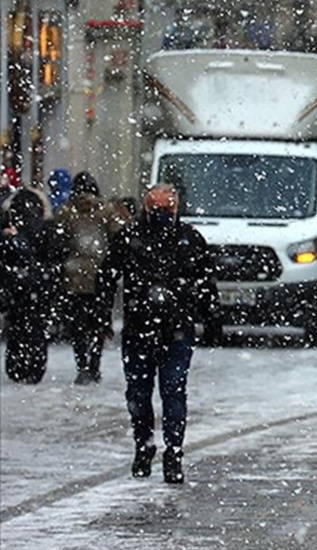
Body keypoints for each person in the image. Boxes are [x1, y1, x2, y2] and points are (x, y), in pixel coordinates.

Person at [101, 184, 218, 484]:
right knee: (140, 393)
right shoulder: (131, 238)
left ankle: (172, 452)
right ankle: (145, 445)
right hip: (141, 328)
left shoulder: (188, 239)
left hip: (174, 328)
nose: (162, 213)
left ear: (176, 208)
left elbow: (206, 282)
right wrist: (102, 317)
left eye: (167, 208)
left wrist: (209, 318)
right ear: (146, 208)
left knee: (172, 391)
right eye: (157, 208)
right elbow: (107, 277)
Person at [52, 172, 122, 384]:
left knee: (78, 325)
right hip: (100, 275)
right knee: (98, 323)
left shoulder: (67, 211)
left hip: (74, 276)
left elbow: (57, 240)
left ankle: (82, 364)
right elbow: (118, 237)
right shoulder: (106, 211)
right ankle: (95, 364)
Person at [1, 188, 63, 383]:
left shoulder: (12, 228)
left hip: (17, 284)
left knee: (17, 326)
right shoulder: (46, 227)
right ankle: (34, 367)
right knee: (36, 327)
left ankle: (16, 366)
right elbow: (55, 254)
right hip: (38, 285)